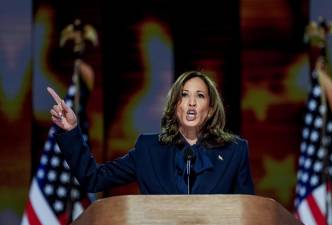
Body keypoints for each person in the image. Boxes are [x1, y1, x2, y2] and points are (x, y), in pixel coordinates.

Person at [48, 70, 254, 195]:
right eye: (184, 95)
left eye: (200, 96)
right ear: (176, 106)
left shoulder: (234, 152)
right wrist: (72, 131)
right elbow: (93, 178)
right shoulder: (149, 150)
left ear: (209, 110)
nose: (191, 102)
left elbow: (249, 214)